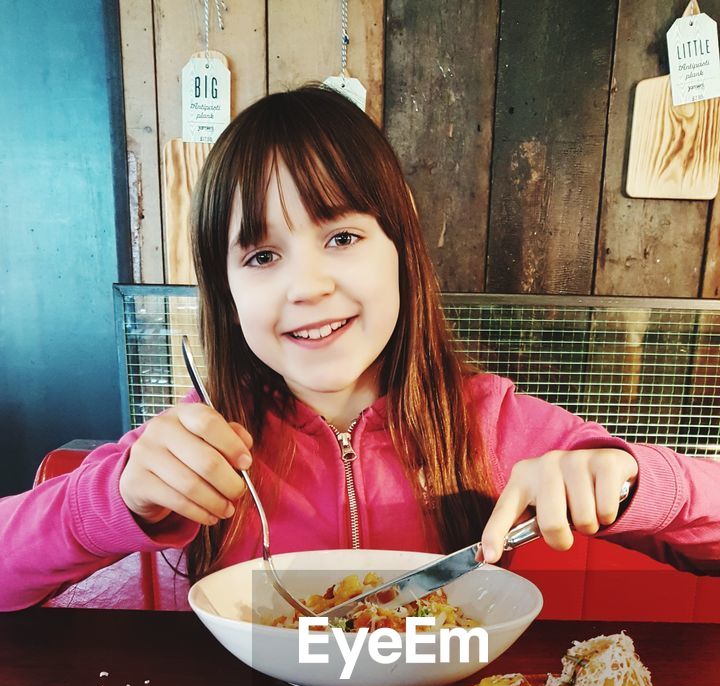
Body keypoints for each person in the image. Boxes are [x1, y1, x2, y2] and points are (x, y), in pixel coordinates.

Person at [1, 85, 718, 612]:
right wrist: (120, 494)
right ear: (224, 292)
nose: (306, 287)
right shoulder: (202, 443)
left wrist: (629, 481)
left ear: (401, 251)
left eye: (340, 238)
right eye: (260, 256)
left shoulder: (496, 426)